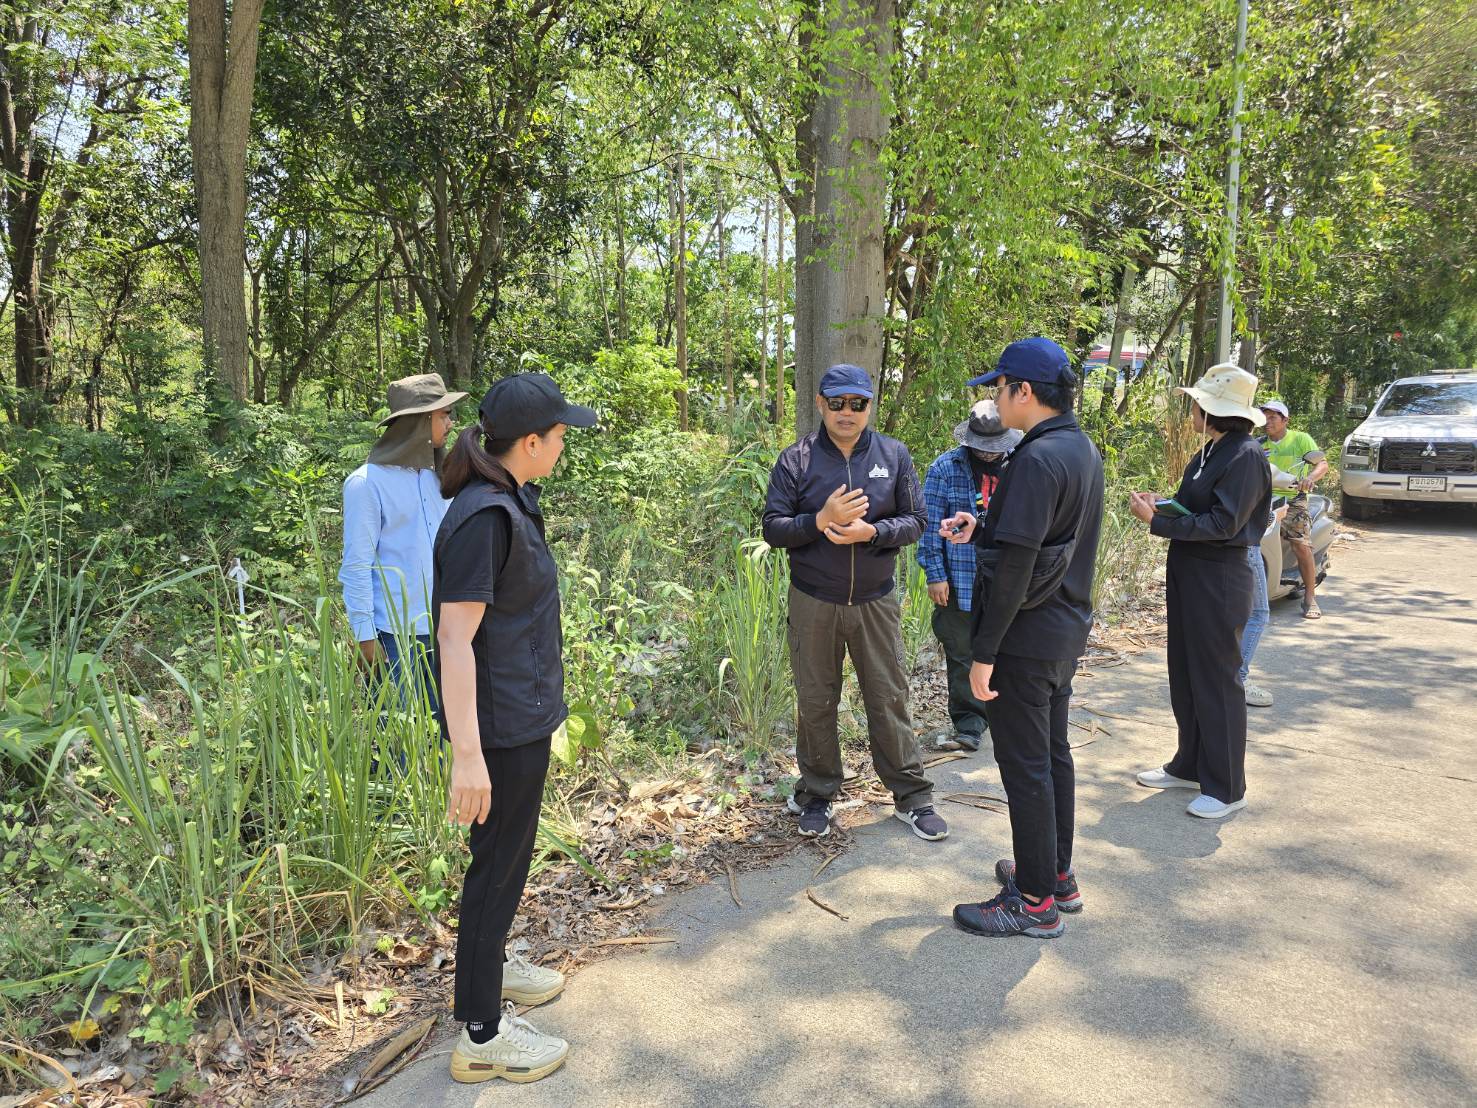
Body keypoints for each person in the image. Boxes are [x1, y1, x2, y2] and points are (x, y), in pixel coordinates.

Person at [433, 372, 597, 1084]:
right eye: (560, 435)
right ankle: (482, 1032)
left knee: (505, 861)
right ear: (529, 442)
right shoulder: (484, 517)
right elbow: (453, 638)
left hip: (518, 714)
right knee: (495, 870)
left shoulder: (508, 500)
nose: (564, 445)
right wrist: (467, 754)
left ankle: (494, 965)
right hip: (497, 730)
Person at [939, 338, 1104, 940]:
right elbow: (1042, 538)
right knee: (1052, 755)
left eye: (999, 387)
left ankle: (1034, 902)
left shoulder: (1035, 459)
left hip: (1025, 638)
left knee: (1026, 765)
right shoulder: (1077, 448)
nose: (995, 397)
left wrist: (984, 653)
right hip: (1061, 630)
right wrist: (982, 527)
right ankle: (1054, 873)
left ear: (1023, 392)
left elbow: (1017, 568)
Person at [762, 364, 947, 842]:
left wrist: (874, 533)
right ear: (820, 404)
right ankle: (818, 794)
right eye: (837, 402)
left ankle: (911, 796)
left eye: (857, 403)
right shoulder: (796, 460)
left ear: (870, 405)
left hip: (875, 601)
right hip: (813, 600)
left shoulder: (893, 454)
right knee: (816, 700)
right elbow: (773, 528)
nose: (848, 412)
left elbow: (916, 520)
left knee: (888, 697)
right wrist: (818, 519)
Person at [1129, 363, 1272, 819]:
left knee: (1217, 679)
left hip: (1220, 577)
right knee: (1186, 672)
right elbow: (1191, 507)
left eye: (1196, 403)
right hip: (1190, 571)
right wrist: (1161, 506)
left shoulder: (1246, 456)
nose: (1191, 409)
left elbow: (1224, 523)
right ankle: (1189, 763)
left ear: (1212, 410)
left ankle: (1228, 786)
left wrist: (1159, 523)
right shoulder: (1210, 452)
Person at [340, 373, 466, 714]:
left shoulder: (437, 478)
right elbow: (356, 566)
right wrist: (366, 638)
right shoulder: (366, 484)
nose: (451, 423)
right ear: (420, 422)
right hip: (394, 638)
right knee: (397, 743)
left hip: (443, 630)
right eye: (443, 415)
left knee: (443, 732)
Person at [917, 399, 1021, 752]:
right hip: (959, 576)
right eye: (983, 447)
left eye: (996, 447)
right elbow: (929, 527)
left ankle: (1007, 715)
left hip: (1007, 577)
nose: (990, 454)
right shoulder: (945, 468)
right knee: (961, 649)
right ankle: (970, 722)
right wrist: (935, 573)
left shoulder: (1021, 464)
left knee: (1008, 648)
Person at [1259, 399, 1328, 619]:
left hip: (1292, 500)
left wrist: (1309, 478)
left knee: (1300, 544)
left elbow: (1322, 464)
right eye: (1265, 417)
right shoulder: (1259, 444)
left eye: (1273, 417)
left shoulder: (1300, 439)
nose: (1267, 422)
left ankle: (1310, 597)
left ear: (1285, 420)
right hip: (1262, 499)